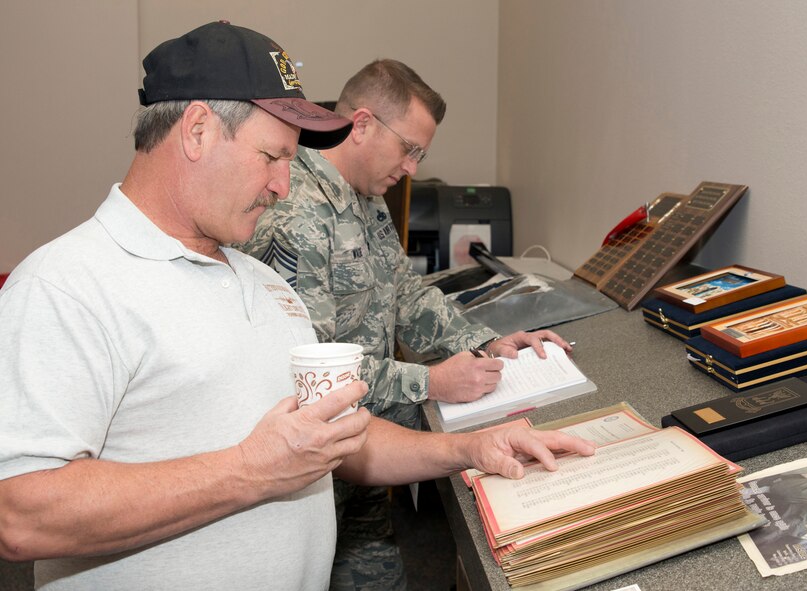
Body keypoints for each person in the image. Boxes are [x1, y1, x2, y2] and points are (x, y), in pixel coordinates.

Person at [0, 22, 595, 591]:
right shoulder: (66, 286)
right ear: (198, 129)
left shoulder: (264, 284)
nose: (285, 186)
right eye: (272, 157)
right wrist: (251, 470)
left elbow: (333, 439)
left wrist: (470, 449)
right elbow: (21, 514)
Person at [237, 59, 573, 589]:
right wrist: (431, 381)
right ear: (363, 124)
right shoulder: (294, 214)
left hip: (372, 453)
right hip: (307, 475)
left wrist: (485, 343)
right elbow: (310, 367)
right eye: (409, 149)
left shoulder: (366, 199)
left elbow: (406, 294)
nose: (412, 168)